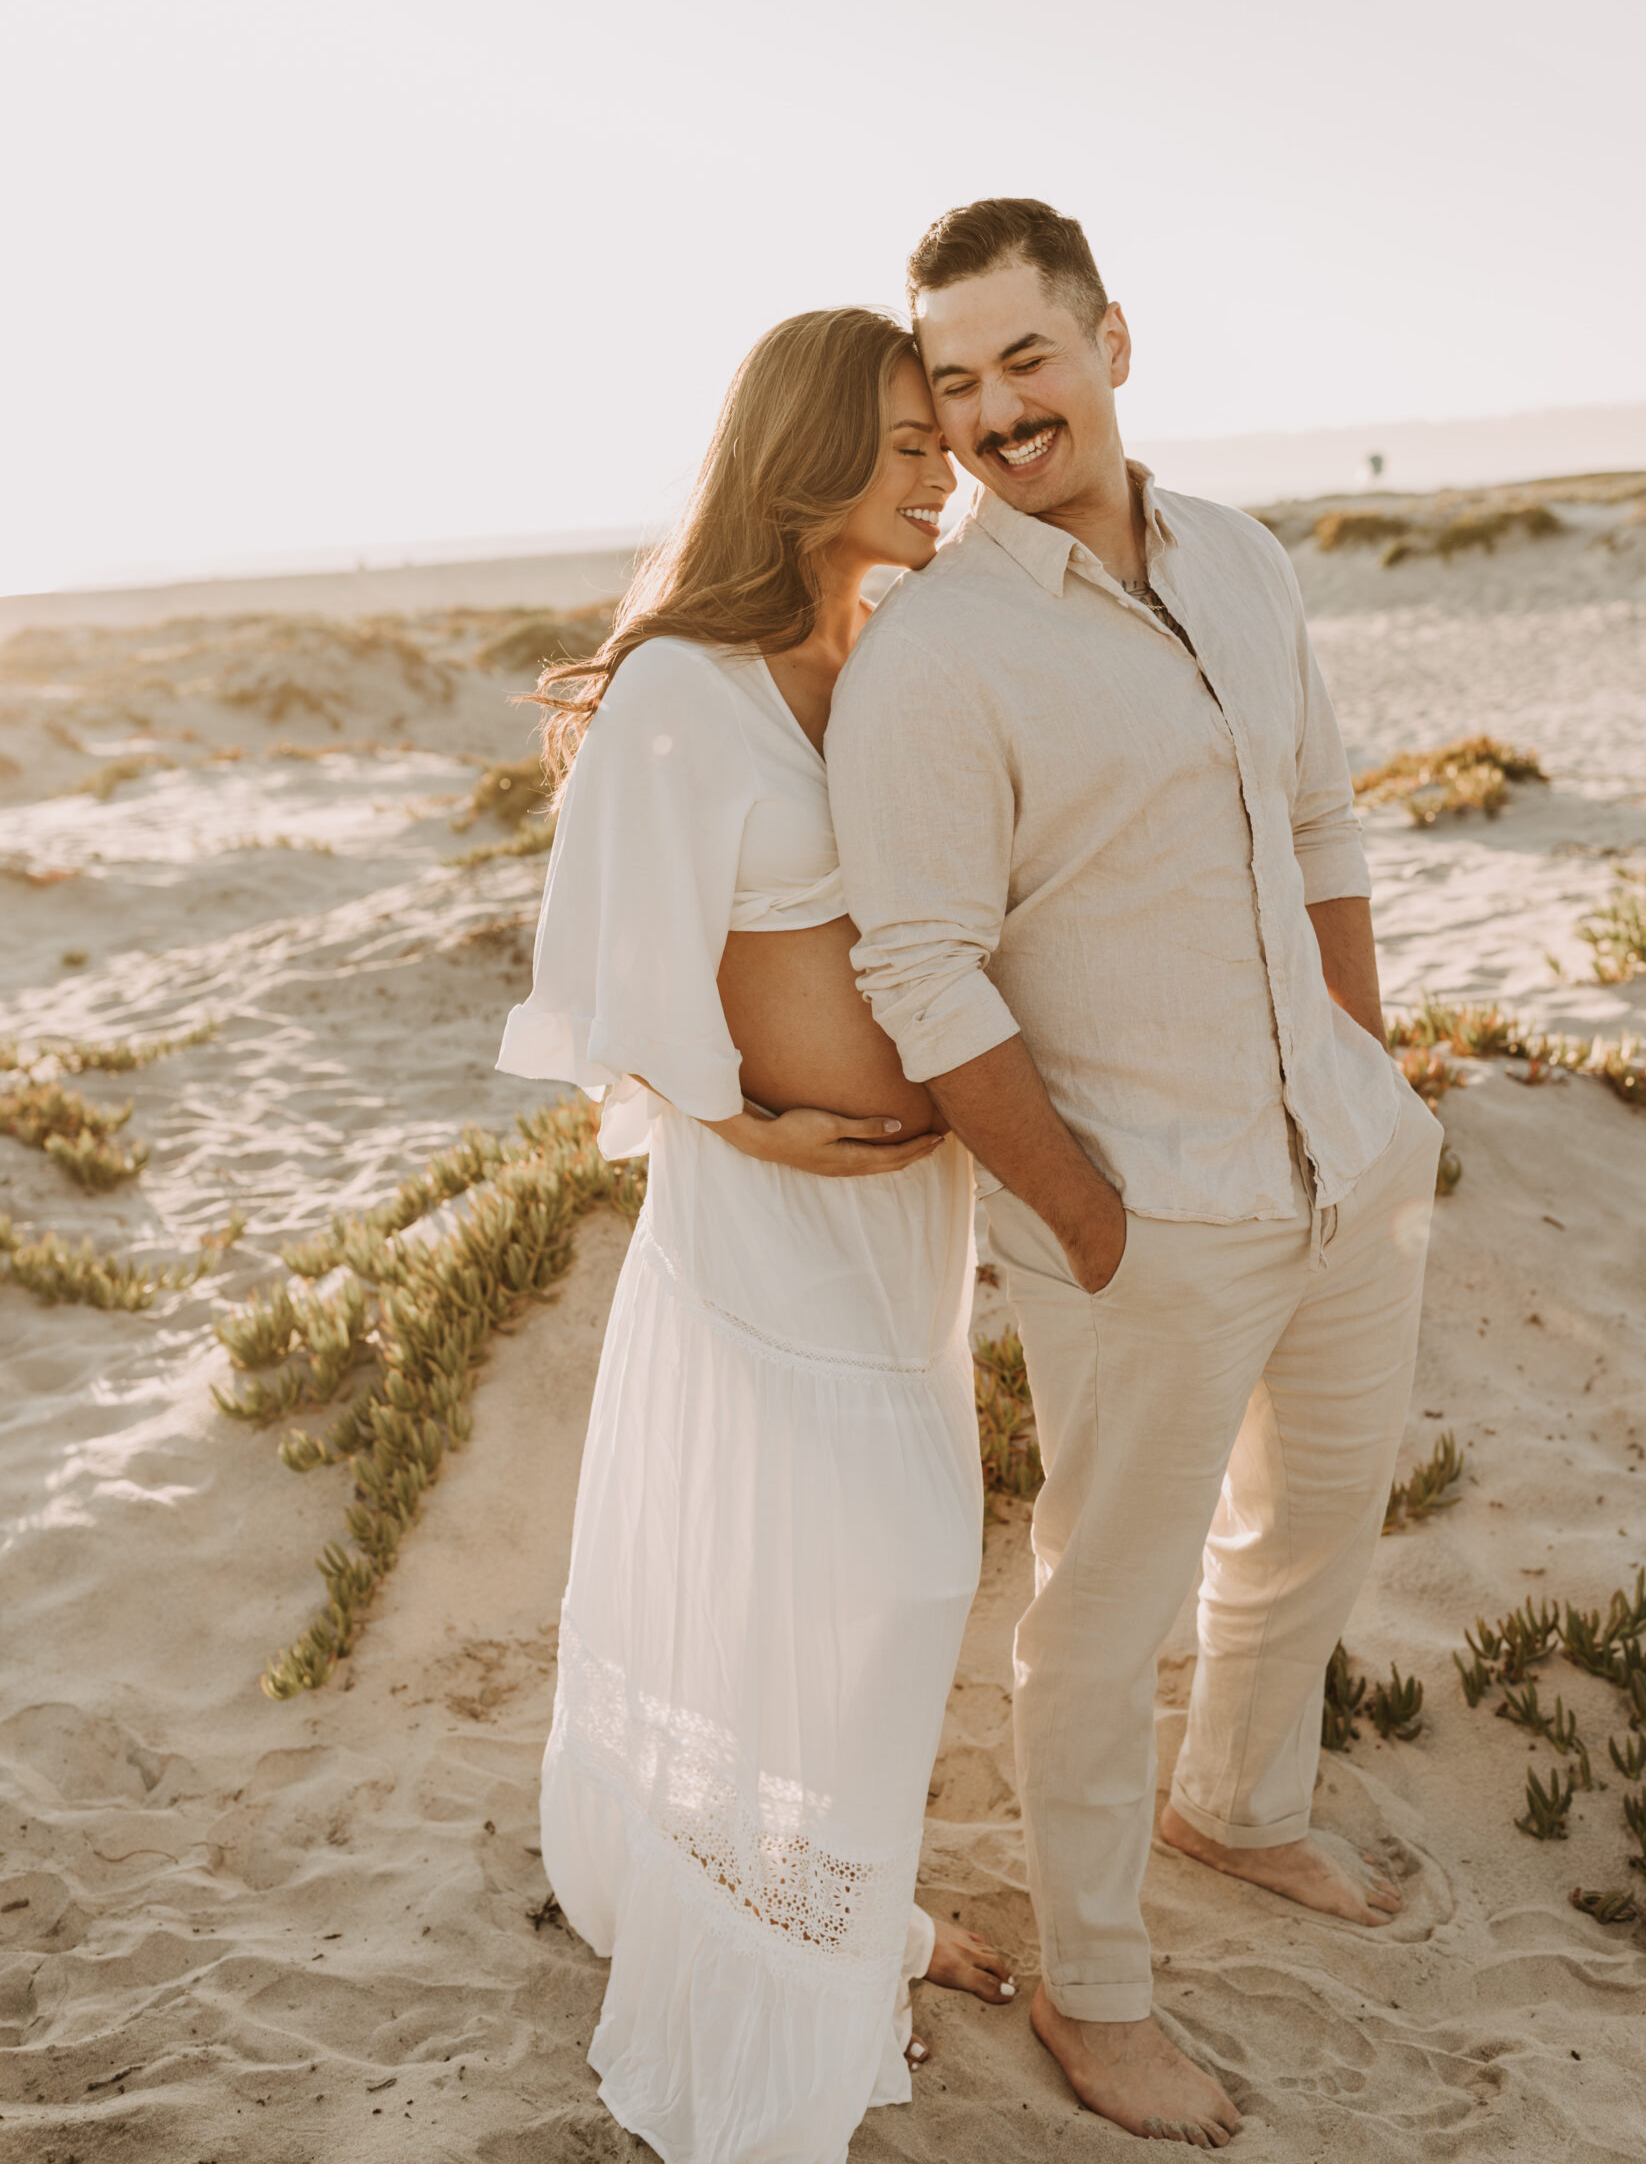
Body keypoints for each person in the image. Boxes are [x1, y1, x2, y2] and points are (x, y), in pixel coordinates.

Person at [826, 200, 1443, 2149]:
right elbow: (914, 962)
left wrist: (1361, 1070)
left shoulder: (1246, 562)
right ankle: (1094, 1989)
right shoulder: (937, 653)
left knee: (1317, 1515)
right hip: (1141, 1224)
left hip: (1337, 1173)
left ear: (1108, 338)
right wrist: (1084, 1215)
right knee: (1097, 1614)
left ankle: (1238, 1802)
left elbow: (1325, 824)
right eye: (956, 379)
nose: (1000, 407)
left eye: (1030, 356)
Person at [497, 306, 1014, 2164]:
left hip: (909, 1230)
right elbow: (606, 967)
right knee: (871, 1578)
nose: (937, 465)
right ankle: (780, 1965)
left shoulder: (880, 653)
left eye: (938, 434)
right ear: (802, 459)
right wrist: (747, 1118)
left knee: (862, 1588)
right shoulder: (683, 690)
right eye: (900, 439)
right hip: (769, 1226)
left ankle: (845, 1908)